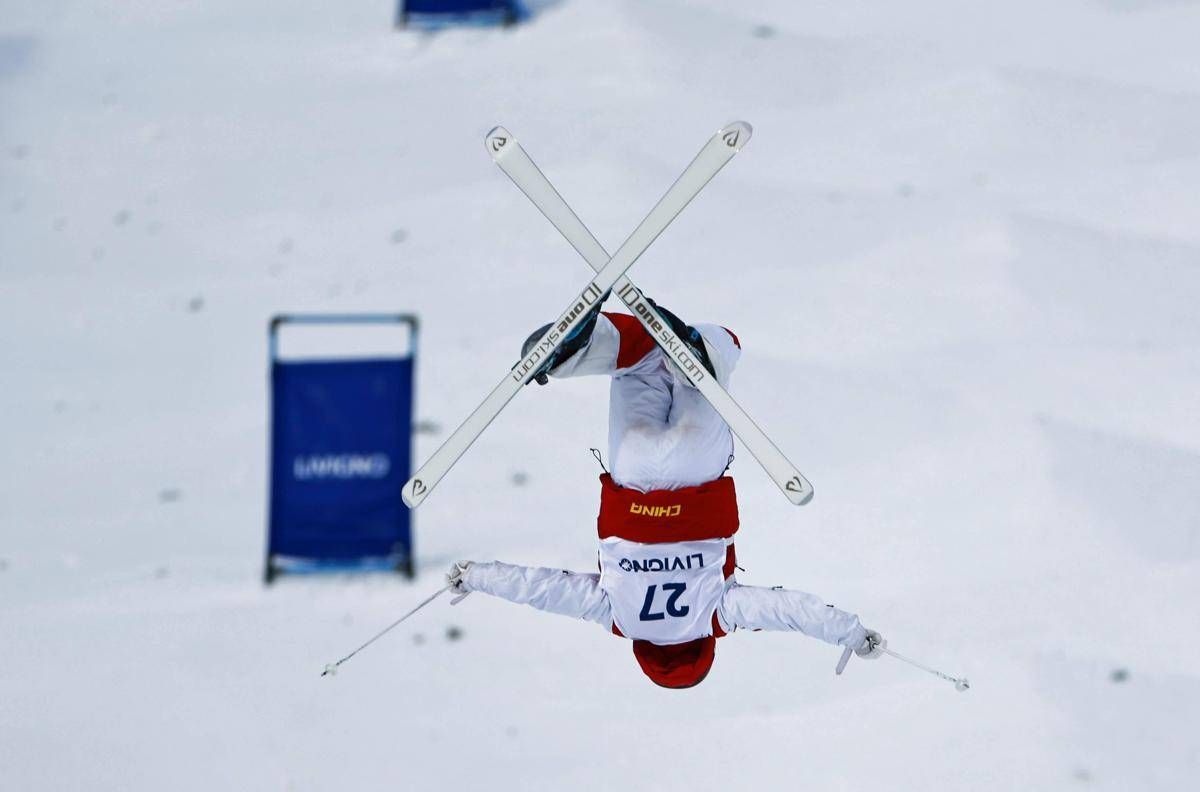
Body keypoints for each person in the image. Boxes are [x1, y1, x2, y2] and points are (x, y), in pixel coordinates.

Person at [447, 299, 884, 688]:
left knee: (708, 365)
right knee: (636, 365)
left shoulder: (717, 616)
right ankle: (579, 351)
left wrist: (852, 634)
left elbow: (790, 611)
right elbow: (543, 590)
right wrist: (476, 576)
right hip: (631, 479)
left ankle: (700, 349)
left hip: (697, 478)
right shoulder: (617, 616)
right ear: (642, 652)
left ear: (705, 649)